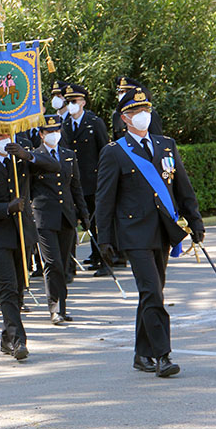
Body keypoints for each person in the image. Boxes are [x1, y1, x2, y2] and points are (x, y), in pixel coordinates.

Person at [96, 87, 204, 378]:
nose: (143, 116)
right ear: (124, 118)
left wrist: (195, 220)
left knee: (152, 293)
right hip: (134, 233)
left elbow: (182, 187)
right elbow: (104, 199)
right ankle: (162, 356)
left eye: (146, 110)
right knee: (152, 292)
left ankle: (141, 353)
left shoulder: (165, 144)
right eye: (136, 112)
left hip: (162, 231)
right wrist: (103, 238)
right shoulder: (114, 152)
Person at [0, 130, 59, 360]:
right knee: (7, 288)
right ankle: (19, 340)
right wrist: (5, 208)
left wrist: (27, 155)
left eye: (8, 133)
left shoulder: (21, 161)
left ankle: (7, 337)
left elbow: (55, 166)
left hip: (22, 233)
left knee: (18, 289)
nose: (5, 139)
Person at [30, 115, 89, 324]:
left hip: (66, 216)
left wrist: (84, 214)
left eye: (57, 130)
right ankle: (53, 307)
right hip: (44, 217)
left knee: (63, 264)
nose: (54, 134)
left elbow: (76, 187)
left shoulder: (68, 155)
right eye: (49, 131)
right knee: (52, 263)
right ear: (41, 134)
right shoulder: (34, 157)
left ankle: (62, 307)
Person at [59, 84, 111, 277]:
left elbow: (105, 152)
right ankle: (74, 265)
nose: (71, 105)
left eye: (74, 101)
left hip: (93, 181)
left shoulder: (94, 122)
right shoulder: (64, 125)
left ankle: (105, 260)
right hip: (73, 183)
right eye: (68, 102)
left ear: (83, 102)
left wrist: (104, 180)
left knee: (98, 222)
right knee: (75, 222)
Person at [111, 76, 163, 141]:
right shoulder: (117, 115)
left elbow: (157, 139)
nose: (123, 95)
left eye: (126, 92)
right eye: (121, 92)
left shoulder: (147, 113)